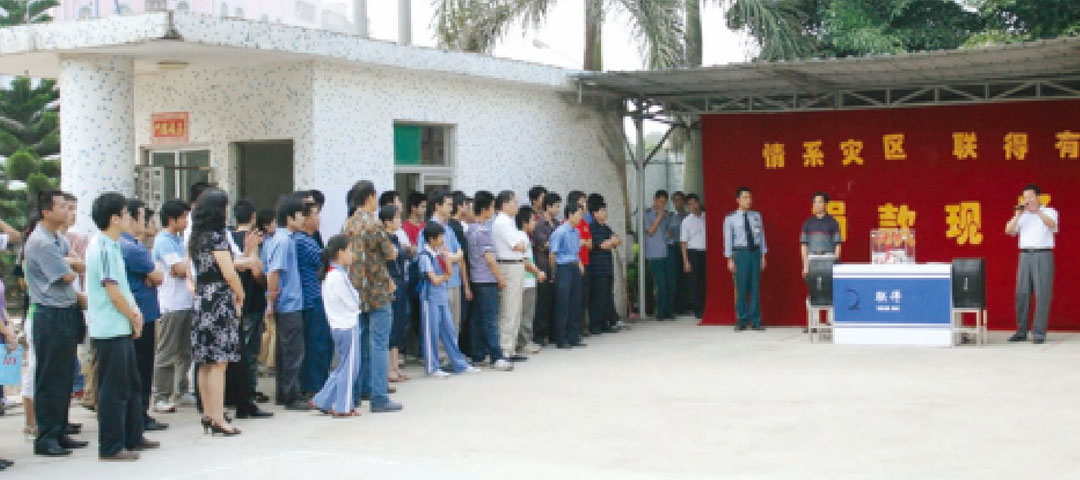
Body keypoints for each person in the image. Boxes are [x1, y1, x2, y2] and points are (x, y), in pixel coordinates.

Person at [85, 192, 161, 461]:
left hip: (122, 324)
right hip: (109, 327)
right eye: (126, 214)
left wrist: (134, 314)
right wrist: (132, 315)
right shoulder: (103, 247)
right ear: (114, 219)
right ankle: (111, 445)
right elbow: (113, 292)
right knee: (113, 390)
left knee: (131, 384)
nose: (130, 218)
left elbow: (124, 288)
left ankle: (132, 435)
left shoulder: (115, 245)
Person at [27, 190, 89, 457]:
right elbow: (67, 276)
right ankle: (46, 436)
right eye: (62, 206)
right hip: (49, 314)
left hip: (66, 311)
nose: (67, 211)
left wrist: (71, 262)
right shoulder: (41, 242)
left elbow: (80, 265)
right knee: (50, 377)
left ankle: (60, 429)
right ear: (47, 212)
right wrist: (71, 264)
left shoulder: (58, 239)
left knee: (64, 376)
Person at [188, 188, 246, 436]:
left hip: (202, 297)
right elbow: (229, 272)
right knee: (220, 362)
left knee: (204, 361)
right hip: (219, 299)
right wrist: (240, 294)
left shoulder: (196, 238)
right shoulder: (217, 238)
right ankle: (219, 416)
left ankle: (208, 413)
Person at [342, 180, 402, 413]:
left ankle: (357, 392)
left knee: (360, 342)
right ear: (369, 197)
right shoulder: (374, 224)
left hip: (356, 290)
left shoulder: (348, 223)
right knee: (379, 344)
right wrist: (394, 250)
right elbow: (390, 253)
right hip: (378, 290)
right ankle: (379, 396)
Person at [118, 199, 168, 432]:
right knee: (141, 367)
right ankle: (140, 415)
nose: (145, 222)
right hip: (140, 315)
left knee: (139, 367)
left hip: (141, 312)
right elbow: (157, 276)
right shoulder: (131, 248)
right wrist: (151, 276)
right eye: (141, 217)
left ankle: (138, 414)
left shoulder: (130, 245)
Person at [262, 195, 310, 411]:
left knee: (285, 351)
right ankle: (292, 395)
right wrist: (271, 300)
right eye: (300, 214)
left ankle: (284, 393)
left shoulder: (282, 239)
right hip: (288, 303)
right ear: (290, 218)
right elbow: (274, 273)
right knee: (293, 351)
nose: (303, 218)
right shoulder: (283, 241)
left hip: (288, 302)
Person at [418, 222, 481, 378]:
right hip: (430, 298)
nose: (442, 240)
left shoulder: (439, 254)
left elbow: (450, 272)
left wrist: (446, 256)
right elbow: (434, 279)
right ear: (432, 239)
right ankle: (432, 366)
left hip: (442, 296)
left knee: (449, 330)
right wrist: (445, 276)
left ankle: (459, 363)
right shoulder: (425, 256)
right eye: (440, 237)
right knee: (431, 333)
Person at [228, 202, 273, 417]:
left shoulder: (229, 239)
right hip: (251, 301)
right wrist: (267, 285)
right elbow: (256, 273)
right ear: (253, 217)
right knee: (249, 351)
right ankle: (247, 392)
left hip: (236, 302)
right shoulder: (254, 240)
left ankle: (238, 392)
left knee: (237, 350)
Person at [312, 235, 361, 417]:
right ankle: (343, 406)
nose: (352, 254)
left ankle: (323, 399)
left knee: (344, 366)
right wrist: (357, 298)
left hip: (338, 324)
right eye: (349, 250)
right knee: (350, 368)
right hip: (347, 324)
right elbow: (353, 300)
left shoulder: (331, 274)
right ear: (340, 253)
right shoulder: (338, 276)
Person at [151, 199, 193, 414]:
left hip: (186, 301)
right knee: (167, 351)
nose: (186, 221)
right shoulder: (164, 241)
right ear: (171, 219)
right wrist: (190, 259)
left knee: (186, 351)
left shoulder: (179, 240)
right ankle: (161, 395)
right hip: (171, 303)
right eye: (183, 217)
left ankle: (181, 389)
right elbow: (179, 269)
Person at [466, 191, 514, 371]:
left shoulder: (470, 229)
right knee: (490, 320)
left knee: (477, 319)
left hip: (475, 278)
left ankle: (478, 354)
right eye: (492, 206)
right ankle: (496, 356)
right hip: (487, 280)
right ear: (485, 209)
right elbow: (490, 259)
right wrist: (500, 278)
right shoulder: (483, 231)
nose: (493, 210)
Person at [1006, 184, 1058, 344]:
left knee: (1042, 294)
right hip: (1025, 255)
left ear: (1038, 197)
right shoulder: (1022, 215)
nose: (1027, 200)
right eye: (1025, 197)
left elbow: (1053, 225)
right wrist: (1017, 215)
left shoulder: (1049, 211)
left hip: (1043, 254)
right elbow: (1008, 230)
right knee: (1022, 294)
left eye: (1030, 197)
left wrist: (1038, 212)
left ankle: (1039, 333)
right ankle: (1021, 331)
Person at [417, 190, 470, 345]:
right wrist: (451, 257)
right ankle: (441, 355)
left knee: (454, 323)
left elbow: (460, 253)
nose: (451, 208)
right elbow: (426, 256)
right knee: (440, 323)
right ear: (437, 206)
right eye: (448, 205)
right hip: (438, 283)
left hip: (454, 280)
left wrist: (449, 257)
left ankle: (453, 354)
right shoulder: (427, 230)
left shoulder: (449, 229)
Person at [294, 197, 331, 397]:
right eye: (315, 214)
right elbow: (323, 262)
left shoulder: (309, 240)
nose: (319, 218)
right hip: (312, 298)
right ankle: (315, 386)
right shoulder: (303, 241)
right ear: (305, 219)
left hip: (315, 297)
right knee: (317, 345)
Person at [724, 187, 767, 331]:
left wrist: (763, 255)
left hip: (754, 253)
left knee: (755, 287)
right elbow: (728, 239)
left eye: (750, 197)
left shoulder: (756, 216)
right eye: (745, 198)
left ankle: (755, 320)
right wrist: (730, 259)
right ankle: (741, 320)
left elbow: (761, 236)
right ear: (738, 200)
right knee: (741, 288)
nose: (748, 200)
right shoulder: (730, 218)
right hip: (740, 253)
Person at [549, 203, 586, 349]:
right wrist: (553, 272)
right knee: (563, 304)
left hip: (574, 267)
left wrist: (579, 263)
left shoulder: (576, 232)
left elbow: (576, 252)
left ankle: (574, 336)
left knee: (575, 302)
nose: (580, 217)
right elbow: (553, 254)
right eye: (578, 214)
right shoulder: (559, 232)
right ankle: (561, 338)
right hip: (563, 268)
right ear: (570, 215)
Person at [380, 205, 410, 383]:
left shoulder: (396, 237)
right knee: (391, 325)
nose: (399, 221)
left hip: (401, 281)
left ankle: (395, 365)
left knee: (399, 323)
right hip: (390, 281)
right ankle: (388, 368)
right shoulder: (384, 239)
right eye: (396, 218)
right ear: (387, 222)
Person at [515, 207, 546, 353]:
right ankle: (524, 342)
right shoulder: (523, 237)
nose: (535, 223)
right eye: (532, 220)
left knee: (524, 313)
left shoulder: (522, 236)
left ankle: (522, 341)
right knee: (526, 313)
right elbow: (525, 261)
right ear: (524, 222)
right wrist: (538, 272)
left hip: (526, 280)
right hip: (526, 281)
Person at [531, 193, 560, 346]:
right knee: (543, 302)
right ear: (548, 206)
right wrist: (557, 246)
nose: (558, 209)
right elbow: (545, 245)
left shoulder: (557, 223)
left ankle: (553, 333)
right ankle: (540, 335)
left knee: (555, 301)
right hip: (543, 265)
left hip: (556, 266)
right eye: (556, 206)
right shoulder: (540, 224)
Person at [588, 202, 620, 333]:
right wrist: (610, 242)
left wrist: (610, 242)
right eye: (601, 210)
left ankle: (605, 323)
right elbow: (602, 245)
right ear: (594, 213)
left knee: (607, 295)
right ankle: (595, 325)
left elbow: (617, 240)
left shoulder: (606, 228)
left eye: (605, 210)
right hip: (597, 268)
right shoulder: (592, 228)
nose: (605, 213)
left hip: (607, 267)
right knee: (598, 297)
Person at [644, 190, 674, 321]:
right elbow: (650, 231)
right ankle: (660, 313)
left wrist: (669, 234)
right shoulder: (647, 214)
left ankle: (668, 312)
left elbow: (667, 232)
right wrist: (659, 217)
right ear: (655, 200)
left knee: (669, 283)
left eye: (664, 203)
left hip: (666, 251)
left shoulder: (667, 215)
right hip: (655, 253)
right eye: (660, 202)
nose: (662, 205)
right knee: (661, 284)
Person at [800, 192, 842, 278]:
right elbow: (804, 246)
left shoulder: (833, 222)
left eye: (820, 202)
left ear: (826, 204)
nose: (817, 205)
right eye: (815, 202)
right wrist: (805, 266)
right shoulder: (808, 223)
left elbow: (837, 245)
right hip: (812, 259)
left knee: (828, 285)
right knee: (814, 285)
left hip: (828, 259)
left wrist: (835, 262)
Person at [680, 194, 707, 320]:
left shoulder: (706, 217)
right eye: (690, 204)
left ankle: (706, 306)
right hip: (693, 252)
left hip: (706, 252)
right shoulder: (686, 221)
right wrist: (686, 261)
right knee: (695, 282)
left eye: (694, 203)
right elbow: (683, 243)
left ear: (698, 203)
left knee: (705, 281)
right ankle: (698, 309)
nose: (693, 206)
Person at [669, 191, 692, 315]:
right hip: (675, 248)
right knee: (675, 277)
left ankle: (686, 305)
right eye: (675, 200)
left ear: (684, 201)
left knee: (686, 278)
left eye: (680, 199)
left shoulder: (689, 216)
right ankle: (676, 306)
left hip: (687, 248)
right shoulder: (671, 217)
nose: (678, 202)